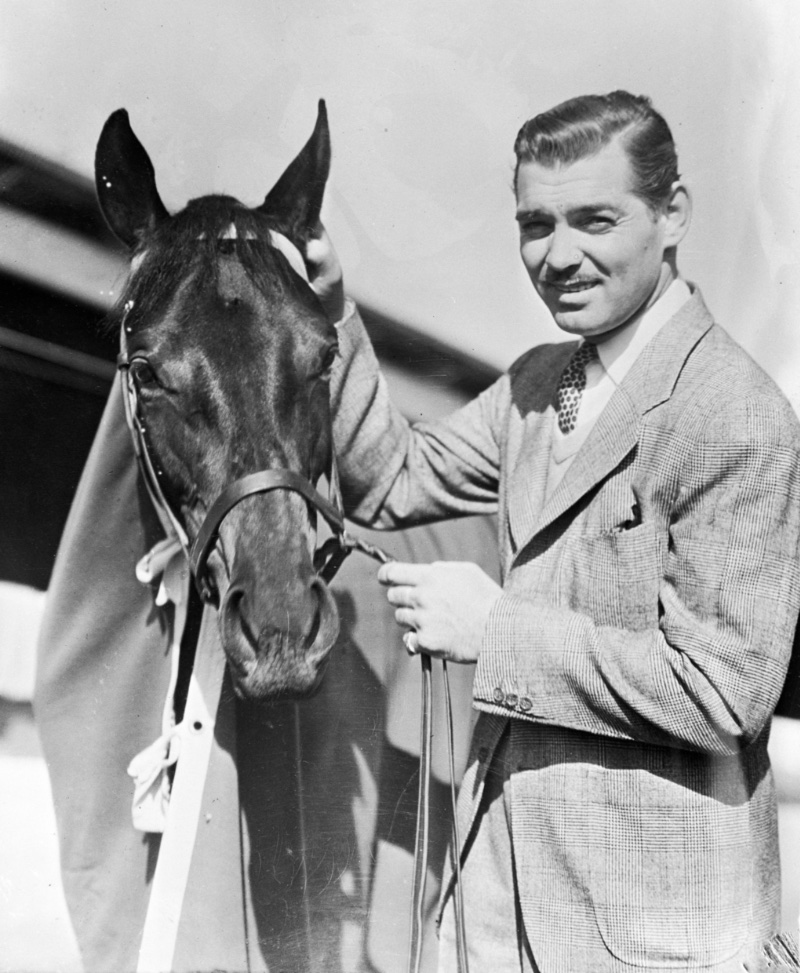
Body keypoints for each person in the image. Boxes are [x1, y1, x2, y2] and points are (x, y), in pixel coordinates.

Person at [304, 90, 800, 972]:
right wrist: (335, 313)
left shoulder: (735, 411)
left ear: (672, 213)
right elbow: (389, 481)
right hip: (495, 913)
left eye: (594, 220)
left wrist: (494, 633)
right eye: (536, 224)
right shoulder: (538, 383)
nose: (558, 256)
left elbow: (725, 692)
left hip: (653, 942)